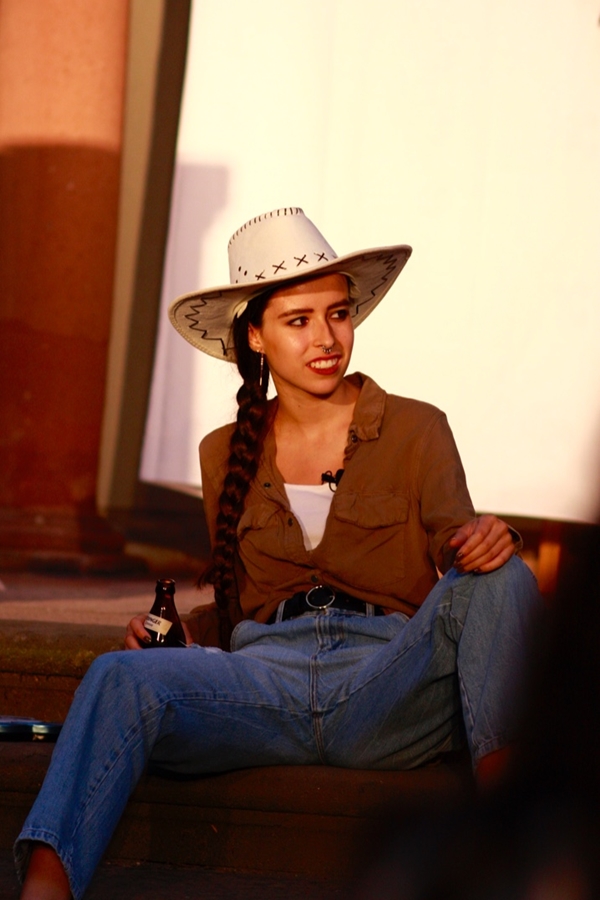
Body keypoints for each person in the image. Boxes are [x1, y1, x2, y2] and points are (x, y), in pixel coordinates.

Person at [15, 207, 541, 899]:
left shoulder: (416, 428)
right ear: (256, 337)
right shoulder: (223, 452)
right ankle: (44, 890)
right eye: (299, 321)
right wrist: (175, 637)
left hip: (384, 682)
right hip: (263, 687)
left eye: (339, 314)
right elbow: (238, 604)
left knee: (502, 575)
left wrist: (490, 539)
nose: (326, 338)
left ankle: (516, 850)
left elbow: (459, 546)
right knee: (119, 674)